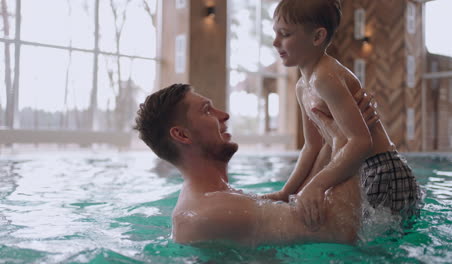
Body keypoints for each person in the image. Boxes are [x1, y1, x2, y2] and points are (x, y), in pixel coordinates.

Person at [134, 83, 378, 246]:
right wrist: (349, 139)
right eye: (207, 110)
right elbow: (340, 230)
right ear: (182, 135)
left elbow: (294, 201)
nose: (224, 115)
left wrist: (334, 139)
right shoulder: (209, 212)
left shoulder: (215, 196)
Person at [264, 0, 421, 220]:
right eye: (275, 33)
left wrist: (317, 185)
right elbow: (311, 146)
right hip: (357, 168)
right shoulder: (302, 87)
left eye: (285, 34)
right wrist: (286, 193)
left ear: (317, 37)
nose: (275, 42)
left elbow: (361, 141)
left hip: (383, 169)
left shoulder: (325, 77)